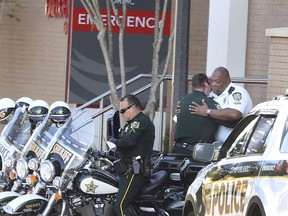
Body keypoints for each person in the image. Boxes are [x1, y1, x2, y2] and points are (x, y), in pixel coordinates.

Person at [109, 94, 155, 216]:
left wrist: (113, 141)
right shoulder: (130, 124)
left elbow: (128, 142)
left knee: (120, 205)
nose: (122, 113)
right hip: (126, 169)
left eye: (123, 110)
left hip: (135, 171)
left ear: (133, 107)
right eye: (120, 111)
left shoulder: (141, 121)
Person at [190, 66, 253, 143]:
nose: (213, 84)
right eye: (211, 81)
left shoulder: (238, 92)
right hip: (215, 145)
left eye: (217, 81)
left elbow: (234, 114)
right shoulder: (210, 95)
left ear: (227, 81)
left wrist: (208, 111)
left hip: (235, 145)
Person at [171, 73, 222, 154]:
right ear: (205, 84)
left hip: (177, 151)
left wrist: (171, 150)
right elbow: (229, 122)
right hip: (196, 155)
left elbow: (174, 128)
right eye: (209, 84)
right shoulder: (208, 103)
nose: (211, 88)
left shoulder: (183, 101)